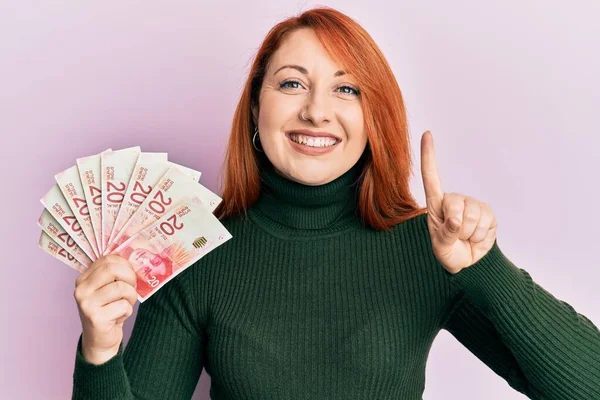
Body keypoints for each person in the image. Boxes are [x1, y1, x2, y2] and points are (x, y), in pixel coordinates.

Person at [71, 6, 600, 399]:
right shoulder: (193, 249)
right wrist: (98, 350)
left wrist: (486, 271)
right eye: (292, 83)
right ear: (257, 105)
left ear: (375, 117)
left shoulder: (429, 248)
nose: (317, 111)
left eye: (347, 90)